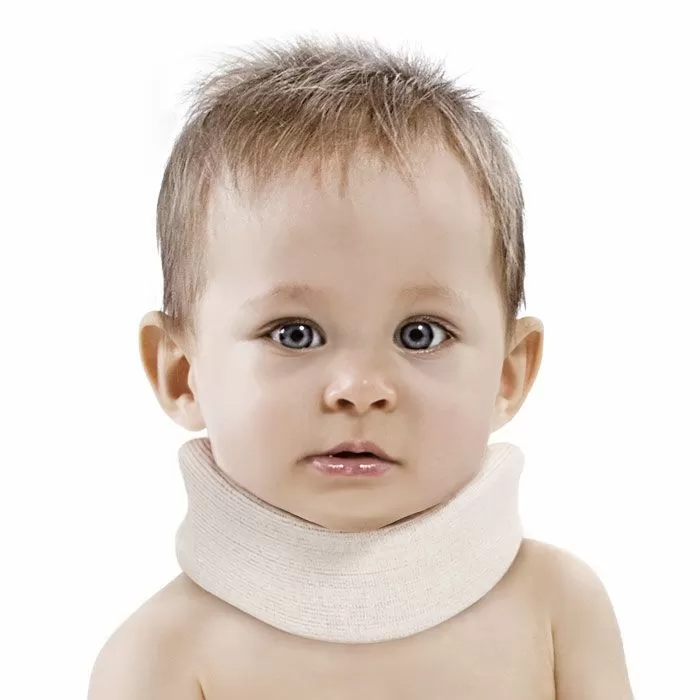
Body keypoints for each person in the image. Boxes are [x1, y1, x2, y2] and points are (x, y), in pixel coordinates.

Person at [88, 36, 634, 699]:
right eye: (294, 334)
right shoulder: (162, 656)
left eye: (420, 334)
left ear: (508, 374)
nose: (360, 390)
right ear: (181, 373)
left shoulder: (557, 608)